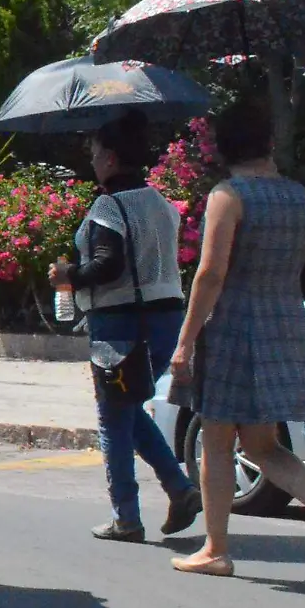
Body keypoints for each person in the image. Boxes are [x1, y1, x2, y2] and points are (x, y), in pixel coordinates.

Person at [169, 104, 305, 578]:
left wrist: (185, 342)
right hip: (283, 322)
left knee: (217, 439)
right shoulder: (299, 196)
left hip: (235, 325)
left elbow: (211, 274)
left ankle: (215, 549)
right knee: (264, 446)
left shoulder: (228, 195)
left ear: (221, 148)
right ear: (268, 144)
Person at [49, 112, 202, 543]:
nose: (93, 162)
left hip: (120, 324)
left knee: (113, 418)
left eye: (96, 154)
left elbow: (108, 264)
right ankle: (179, 488)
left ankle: (126, 516)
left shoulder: (108, 206)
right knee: (130, 405)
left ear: (111, 158)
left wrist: (68, 274)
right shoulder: (161, 203)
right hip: (165, 318)